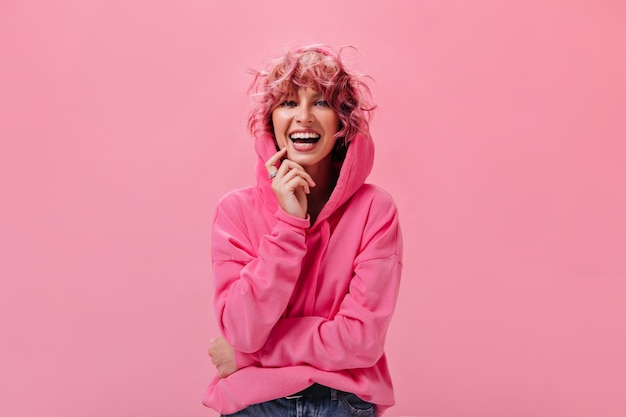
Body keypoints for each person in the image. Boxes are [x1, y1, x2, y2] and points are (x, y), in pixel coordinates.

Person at [203, 45, 403, 417]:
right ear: (271, 121)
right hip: (253, 404)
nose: (304, 117)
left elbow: (360, 341)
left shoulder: (375, 210)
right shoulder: (235, 211)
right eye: (289, 103)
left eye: (322, 103)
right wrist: (290, 226)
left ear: (343, 122)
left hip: (340, 402)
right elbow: (242, 328)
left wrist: (251, 354)